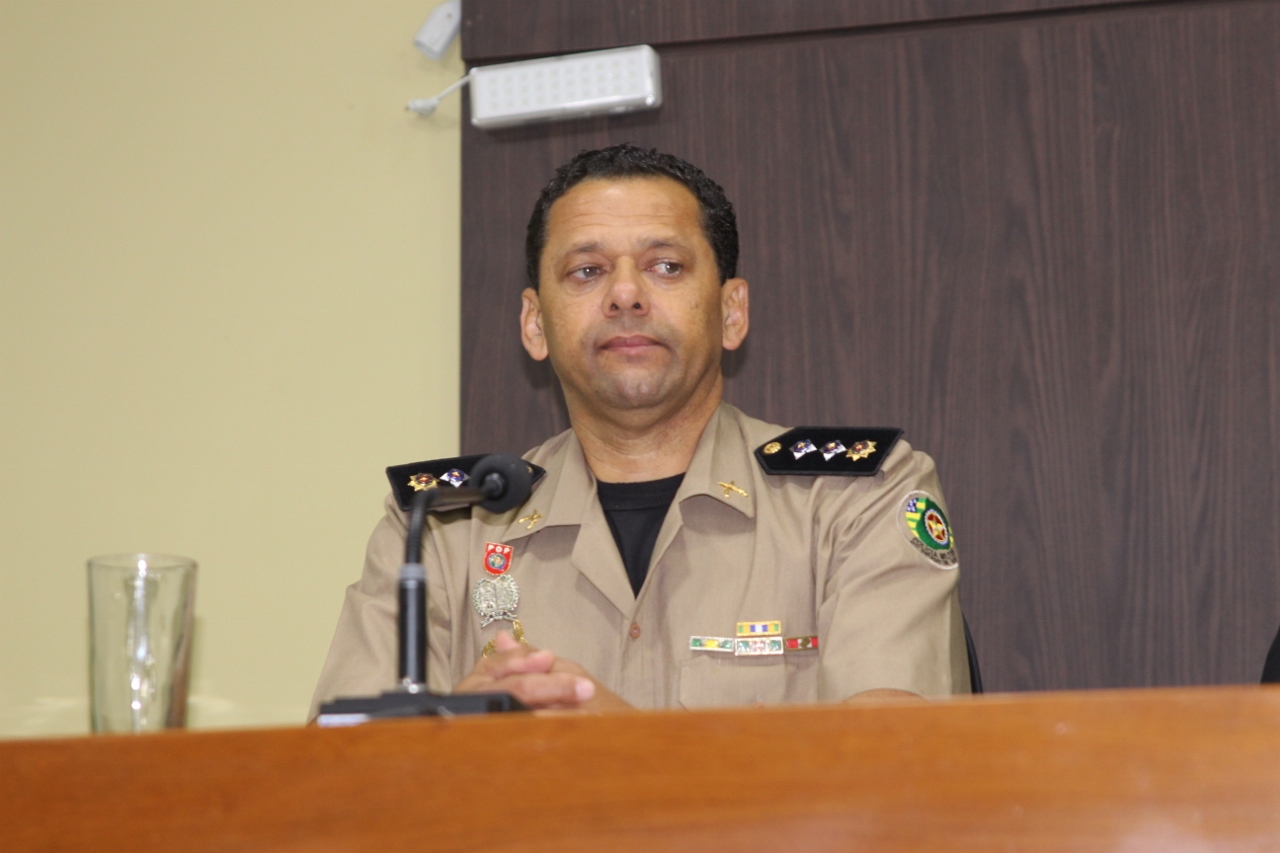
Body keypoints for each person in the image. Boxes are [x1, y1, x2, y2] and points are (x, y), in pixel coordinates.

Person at [311, 144, 970, 716]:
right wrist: (459, 742)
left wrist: (620, 744)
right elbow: (339, 781)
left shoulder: (855, 498)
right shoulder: (440, 528)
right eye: (587, 271)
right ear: (535, 324)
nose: (625, 295)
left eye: (665, 266)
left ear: (731, 312)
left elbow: (897, 765)